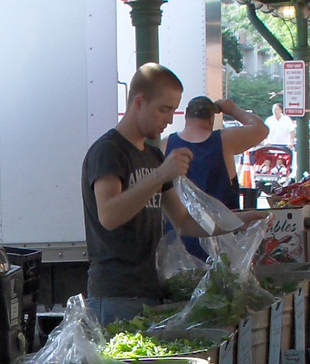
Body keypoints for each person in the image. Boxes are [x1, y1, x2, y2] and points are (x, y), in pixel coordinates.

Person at [81, 63, 232, 324]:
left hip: (149, 291)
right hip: (115, 295)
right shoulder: (108, 151)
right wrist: (161, 175)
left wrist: (238, 222)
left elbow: (183, 222)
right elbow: (108, 214)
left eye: (174, 110)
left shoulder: (152, 155)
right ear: (139, 102)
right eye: (164, 109)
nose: (170, 119)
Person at [164, 95, 267, 258]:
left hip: (178, 244)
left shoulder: (165, 144)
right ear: (211, 119)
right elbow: (261, 129)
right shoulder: (226, 140)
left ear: (186, 115)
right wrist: (231, 109)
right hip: (222, 241)